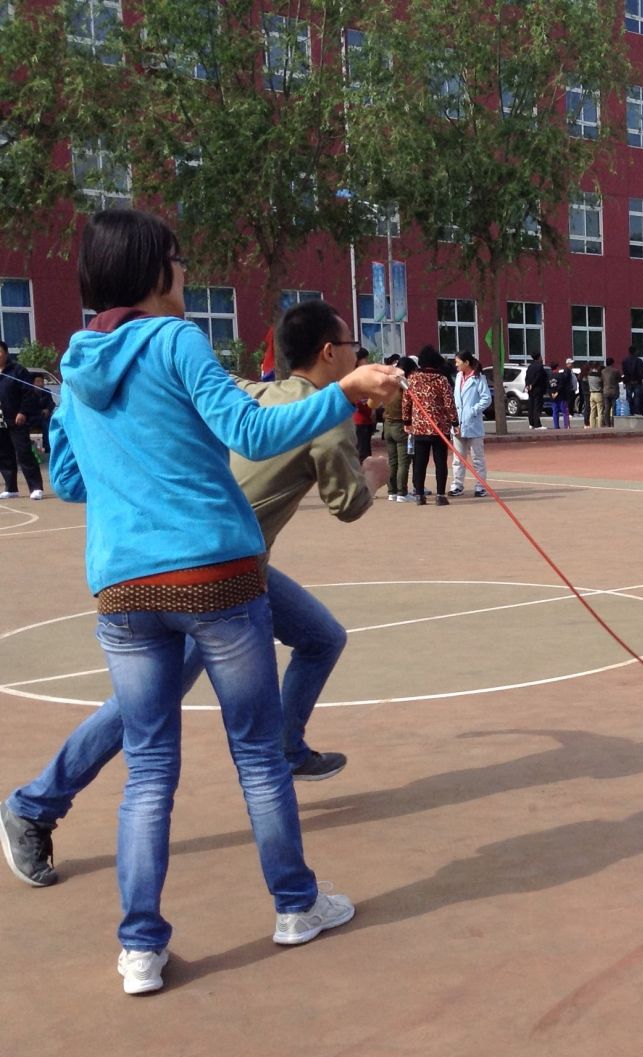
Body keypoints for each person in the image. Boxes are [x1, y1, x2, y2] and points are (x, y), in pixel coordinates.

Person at [25, 210, 397, 993]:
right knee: (257, 754)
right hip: (215, 575)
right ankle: (295, 905)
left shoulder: (77, 362)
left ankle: (140, 948)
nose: (186, 271)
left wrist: (112, 449)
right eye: (179, 258)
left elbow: (70, 481)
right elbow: (251, 432)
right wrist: (347, 393)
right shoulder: (176, 341)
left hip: (123, 587)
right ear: (154, 270)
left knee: (149, 770)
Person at [404, 345, 457, 502]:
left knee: (420, 462)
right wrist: (455, 421)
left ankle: (419, 494)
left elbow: (406, 402)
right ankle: (440, 495)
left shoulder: (412, 379)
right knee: (440, 462)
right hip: (439, 427)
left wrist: (407, 421)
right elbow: (449, 403)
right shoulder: (442, 380)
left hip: (419, 427)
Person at [0, 338, 45, 499]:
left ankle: (36, 487)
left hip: (16, 418)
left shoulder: (17, 370)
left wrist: (23, 412)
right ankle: (11, 488)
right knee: (4, 453)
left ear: (6, 353)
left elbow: (28, 393)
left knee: (23, 452)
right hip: (0, 420)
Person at [448, 350, 490, 498]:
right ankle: (457, 485)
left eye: (458, 362)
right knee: (458, 458)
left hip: (473, 423)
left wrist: (473, 410)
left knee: (477, 457)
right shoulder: (458, 377)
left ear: (466, 362)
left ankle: (480, 486)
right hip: (458, 423)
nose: (456, 364)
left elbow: (486, 399)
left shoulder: (478, 378)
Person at [381, 355, 413, 500]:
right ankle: (402, 492)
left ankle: (392, 491)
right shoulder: (404, 384)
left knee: (392, 461)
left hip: (387, 424)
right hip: (401, 425)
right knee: (403, 462)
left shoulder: (388, 383)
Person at [524, 352, 548, 429]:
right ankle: (537, 424)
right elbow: (539, 377)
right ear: (539, 357)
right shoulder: (539, 366)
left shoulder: (530, 366)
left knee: (531, 406)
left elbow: (526, 377)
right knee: (537, 407)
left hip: (530, 389)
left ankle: (531, 423)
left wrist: (528, 385)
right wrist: (533, 384)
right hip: (538, 389)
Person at [598, 356, 620, 427]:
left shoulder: (603, 371)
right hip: (614, 391)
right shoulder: (616, 371)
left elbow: (601, 381)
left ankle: (607, 423)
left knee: (607, 408)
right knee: (614, 408)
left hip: (606, 391)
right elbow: (619, 379)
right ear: (612, 363)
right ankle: (613, 423)